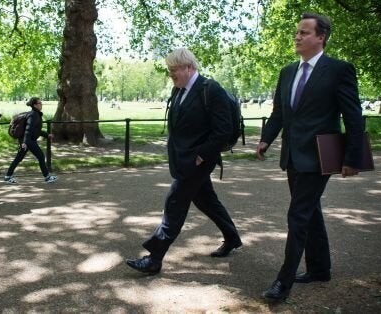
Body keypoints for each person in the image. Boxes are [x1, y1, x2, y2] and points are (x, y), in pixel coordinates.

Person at [256, 13, 365, 302]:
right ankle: (320, 268)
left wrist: (353, 157)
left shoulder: (339, 70)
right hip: (293, 154)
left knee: (298, 215)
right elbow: (280, 112)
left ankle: (284, 281)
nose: (298, 37)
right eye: (297, 32)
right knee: (309, 211)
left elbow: (353, 116)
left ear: (321, 37)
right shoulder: (287, 71)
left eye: (305, 32)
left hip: (322, 153)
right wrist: (267, 138)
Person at [125, 48, 242, 275]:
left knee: (175, 204)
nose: (171, 74)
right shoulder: (179, 90)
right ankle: (232, 237)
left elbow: (223, 130)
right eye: (169, 70)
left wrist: (201, 155)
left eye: (173, 69)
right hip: (183, 159)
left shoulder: (211, 89)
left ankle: (154, 258)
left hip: (197, 161)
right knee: (207, 201)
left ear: (188, 67)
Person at [4, 97, 57, 184]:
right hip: (28, 141)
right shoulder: (33, 115)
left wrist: (47, 135)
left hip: (27, 140)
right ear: (35, 105)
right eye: (40, 103)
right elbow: (28, 129)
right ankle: (47, 177)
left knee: (19, 158)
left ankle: (7, 176)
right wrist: (25, 142)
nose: (41, 104)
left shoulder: (35, 114)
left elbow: (35, 130)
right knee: (40, 156)